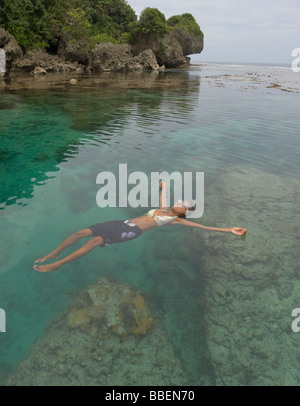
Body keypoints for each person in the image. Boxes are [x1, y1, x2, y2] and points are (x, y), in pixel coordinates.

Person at [33, 182, 247, 273]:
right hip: (120, 224)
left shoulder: (175, 220)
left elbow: (201, 226)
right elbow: (163, 195)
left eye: (183, 204)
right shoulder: (163, 208)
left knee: (93, 242)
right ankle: (55, 252)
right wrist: (163, 185)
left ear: (183, 212)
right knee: (80, 232)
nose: (180, 202)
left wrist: (229, 230)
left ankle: (58, 264)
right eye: (181, 200)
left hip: (130, 232)